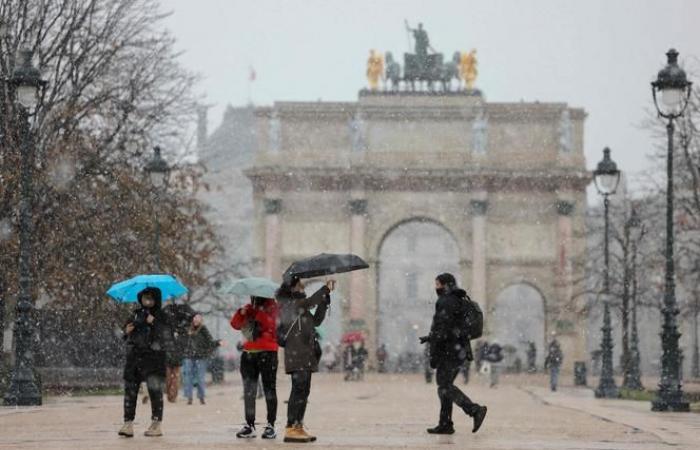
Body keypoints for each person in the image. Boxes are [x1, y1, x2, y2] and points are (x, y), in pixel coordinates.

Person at [419, 273, 487, 435]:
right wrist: (432, 336)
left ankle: (474, 410)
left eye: (437, 284)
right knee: (445, 385)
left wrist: (433, 339)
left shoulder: (445, 301)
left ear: (445, 285)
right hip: (459, 349)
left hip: (448, 350)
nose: (436, 287)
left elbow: (443, 327)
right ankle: (445, 423)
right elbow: (452, 327)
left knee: (444, 385)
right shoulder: (459, 299)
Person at [276, 276, 335, 443]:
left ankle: (298, 425)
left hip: (305, 355)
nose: (303, 289)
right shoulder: (290, 305)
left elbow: (316, 321)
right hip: (297, 355)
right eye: (300, 286)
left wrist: (324, 302)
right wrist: (325, 290)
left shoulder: (301, 307)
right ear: (292, 289)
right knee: (298, 391)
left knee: (303, 391)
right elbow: (309, 302)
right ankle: (291, 427)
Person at [118, 287, 175, 438]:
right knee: (130, 391)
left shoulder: (163, 315)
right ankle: (128, 423)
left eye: (150, 298)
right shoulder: (136, 314)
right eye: (144, 298)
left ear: (156, 299)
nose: (147, 301)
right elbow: (125, 333)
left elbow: (168, 337)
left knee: (155, 391)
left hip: (154, 359)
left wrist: (154, 322)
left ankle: (156, 424)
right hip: (134, 358)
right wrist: (126, 331)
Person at [230, 296, 280, 439]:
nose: (254, 298)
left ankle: (271, 425)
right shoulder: (249, 308)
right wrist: (242, 312)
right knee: (249, 390)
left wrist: (259, 312)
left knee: (269, 389)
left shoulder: (273, 307)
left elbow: (270, 325)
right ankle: (249, 425)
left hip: (268, 352)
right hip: (249, 353)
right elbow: (235, 324)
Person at [181, 313, 221, 405]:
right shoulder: (187, 329)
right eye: (195, 317)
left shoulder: (203, 329)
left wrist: (218, 343)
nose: (196, 319)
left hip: (201, 357)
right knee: (188, 378)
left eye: (198, 318)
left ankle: (201, 397)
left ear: (201, 320)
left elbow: (210, 342)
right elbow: (182, 341)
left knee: (200, 378)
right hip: (189, 356)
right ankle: (189, 397)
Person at [162, 301, 195, 402]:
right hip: (168, 354)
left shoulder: (182, 326)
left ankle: (173, 396)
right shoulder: (166, 321)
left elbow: (184, 340)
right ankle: (169, 392)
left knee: (175, 377)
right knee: (168, 378)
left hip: (177, 354)